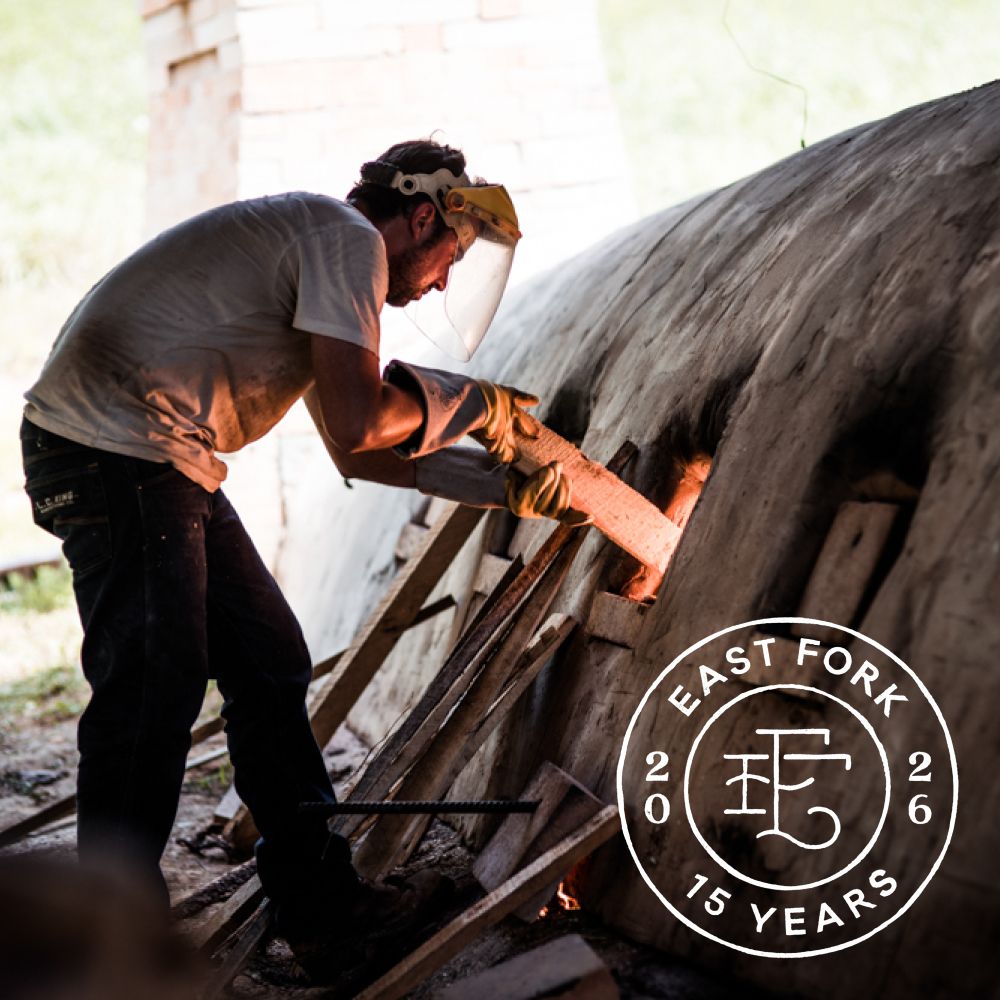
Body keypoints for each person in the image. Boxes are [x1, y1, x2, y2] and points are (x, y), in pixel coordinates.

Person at [19, 138, 573, 973]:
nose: (444, 283)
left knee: (270, 662)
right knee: (154, 686)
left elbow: (362, 449)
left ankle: (321, 909)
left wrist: (509, 487)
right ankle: (111, 952)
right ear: (423, 217)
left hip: (157, 456)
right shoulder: (343, 241)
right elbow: (362, 424)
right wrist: (473, 404)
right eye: (450, 257)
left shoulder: (319, 256)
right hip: (116, 449)